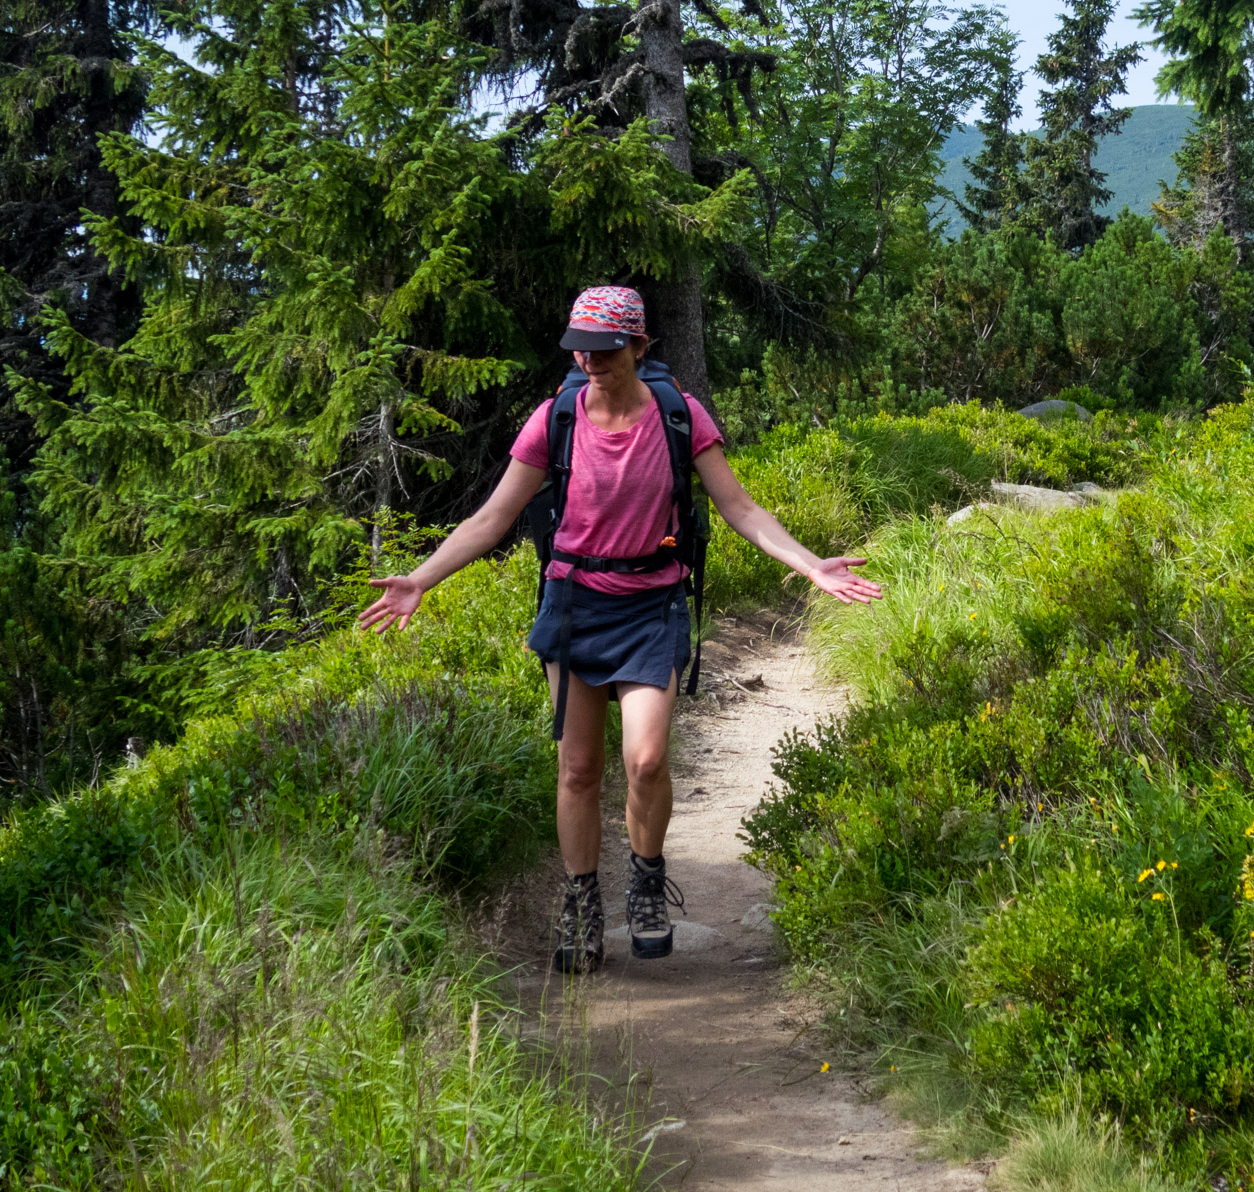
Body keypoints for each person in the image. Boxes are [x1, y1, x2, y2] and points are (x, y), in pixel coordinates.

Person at [358, 285, 881, 972]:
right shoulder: (555, 419)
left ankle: (644, 881)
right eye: (580, 348)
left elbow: (739, 507)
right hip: (574, 604)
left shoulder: (678, 415)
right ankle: (580, 905)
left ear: (639, 347)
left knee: (645, 759)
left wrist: (811, 566)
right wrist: (421, 578)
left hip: (650, 604)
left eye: (605, 350)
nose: (590, 360)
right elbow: (491, 518)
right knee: (576, 768)